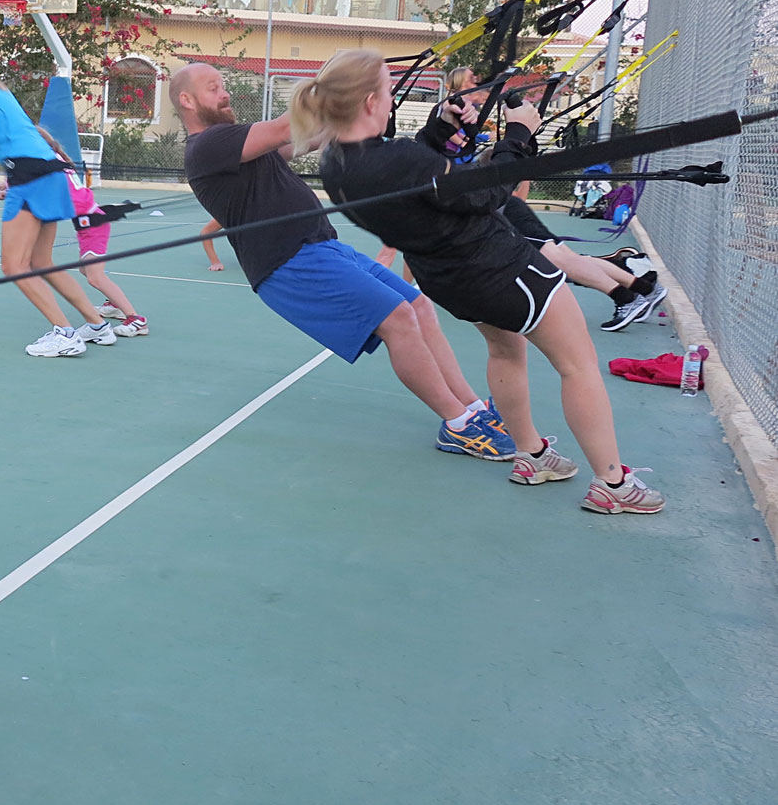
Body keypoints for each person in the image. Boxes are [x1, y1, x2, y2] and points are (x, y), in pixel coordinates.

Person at [304, 48, 664, 515]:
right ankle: (613, 484)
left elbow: (416, 181)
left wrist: (439, 130)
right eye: (389, 92)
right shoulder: (399, 160)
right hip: (501, 269)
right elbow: (484, 193)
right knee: (578, 366)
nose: (392, 101)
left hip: (451, 281)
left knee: (505, 349)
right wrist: (519, 135)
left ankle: (533, 457)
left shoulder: (337, 163)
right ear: (371, 102)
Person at [171, 61, 513, 461]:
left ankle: (472, 407)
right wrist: (341, 80)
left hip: (319, 247)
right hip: (288, 261)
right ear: (187, 100)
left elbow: (308, 137)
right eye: (214, 88)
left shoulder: (232, 144)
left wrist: (436, 119)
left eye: (223, 85)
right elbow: (287, 126)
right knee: (400, 318)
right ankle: (457, 424)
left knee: (419, 307)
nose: (225, 93)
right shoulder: (208, 146)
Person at [418, 69, 668, 331]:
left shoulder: (469, 119)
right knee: (568, 258)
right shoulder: (448, 115)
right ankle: (645, 288)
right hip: (487, 203)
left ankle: (627, 297)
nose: (479, 84)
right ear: (458, 85)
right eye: (472, 80)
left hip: (498, 206)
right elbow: (452, 143)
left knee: (562, 261)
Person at [0, 32, 117, 357]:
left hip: (31, 177)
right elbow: (18, 136)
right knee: (41, 261)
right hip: (48, 171)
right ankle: (98, 325)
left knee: (14, 266)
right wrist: (10, 177)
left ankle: (65, 333)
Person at [0, 127, 149, 336]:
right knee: (86, 271)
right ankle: (113, 305)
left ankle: (136, 319)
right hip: (87, 225)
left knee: (95, 277)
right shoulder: (54, 160)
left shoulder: (47, 167)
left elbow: (39, 186)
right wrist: (7, 187)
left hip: (93, 225)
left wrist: (10, 190)